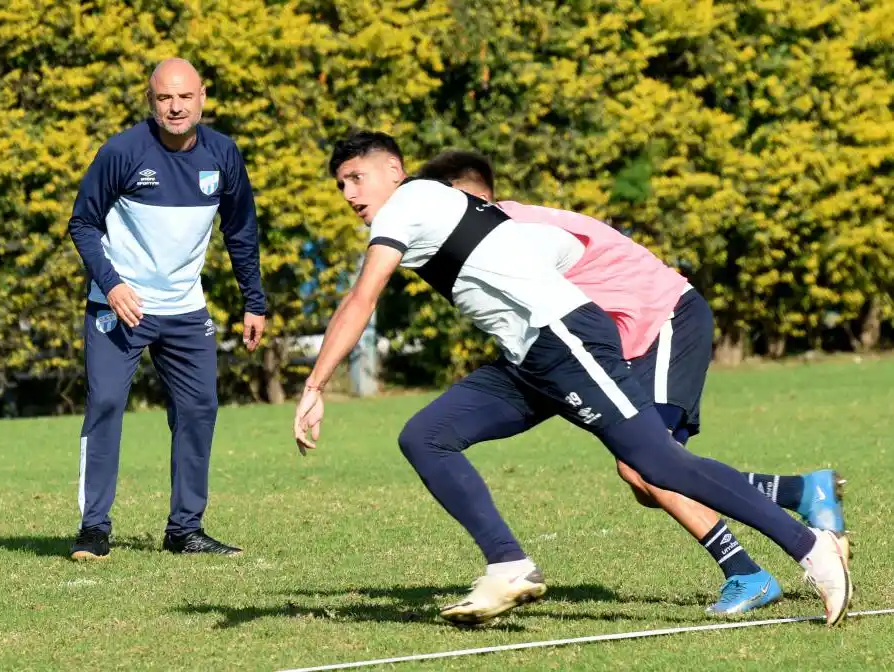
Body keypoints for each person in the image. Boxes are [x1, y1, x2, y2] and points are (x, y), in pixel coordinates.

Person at [292, 130, 852, 627]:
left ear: (394, 169)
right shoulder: (449, 208)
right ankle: (510, 566)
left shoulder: (407, 201)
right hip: (529, 356)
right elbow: (558, 247)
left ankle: (810, 548)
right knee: (426, 435)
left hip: (563, 341)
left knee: (655, 464)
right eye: (341, 184)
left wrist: (315, 385)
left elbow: (363, 297)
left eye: (355, 177)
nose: (349, 194)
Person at [67, 58, 266, 560]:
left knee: (200, 410)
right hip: (120, 307)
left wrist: (254, 301)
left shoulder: (223, 154)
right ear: (150, 101)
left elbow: (240, 231)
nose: (175, 107)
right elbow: (83, 225)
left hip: (184, 309)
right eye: (164, 98)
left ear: (202, 96)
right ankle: (94, 530)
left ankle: (185, 530)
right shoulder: (122, 152)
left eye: (184, 97)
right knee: (107, 405)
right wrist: (110, 285)